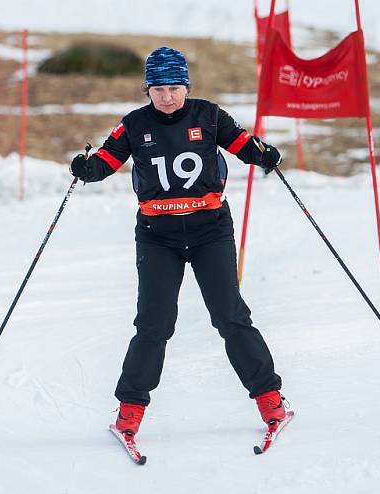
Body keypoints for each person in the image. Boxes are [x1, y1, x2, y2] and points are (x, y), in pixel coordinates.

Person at [70, 46, 287, 438]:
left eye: (173, 87)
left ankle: (271, 402)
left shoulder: (209, 115)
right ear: (147, 90)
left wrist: (263, 156)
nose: (166, 97)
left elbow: (240, 144)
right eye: (157, 89)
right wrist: (88, 168)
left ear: (185, 86)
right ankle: (129, 414)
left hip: (210, 230)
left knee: (230, 316)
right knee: (154, 324)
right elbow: (107, 159)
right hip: (158, 237)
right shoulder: (135, 124)